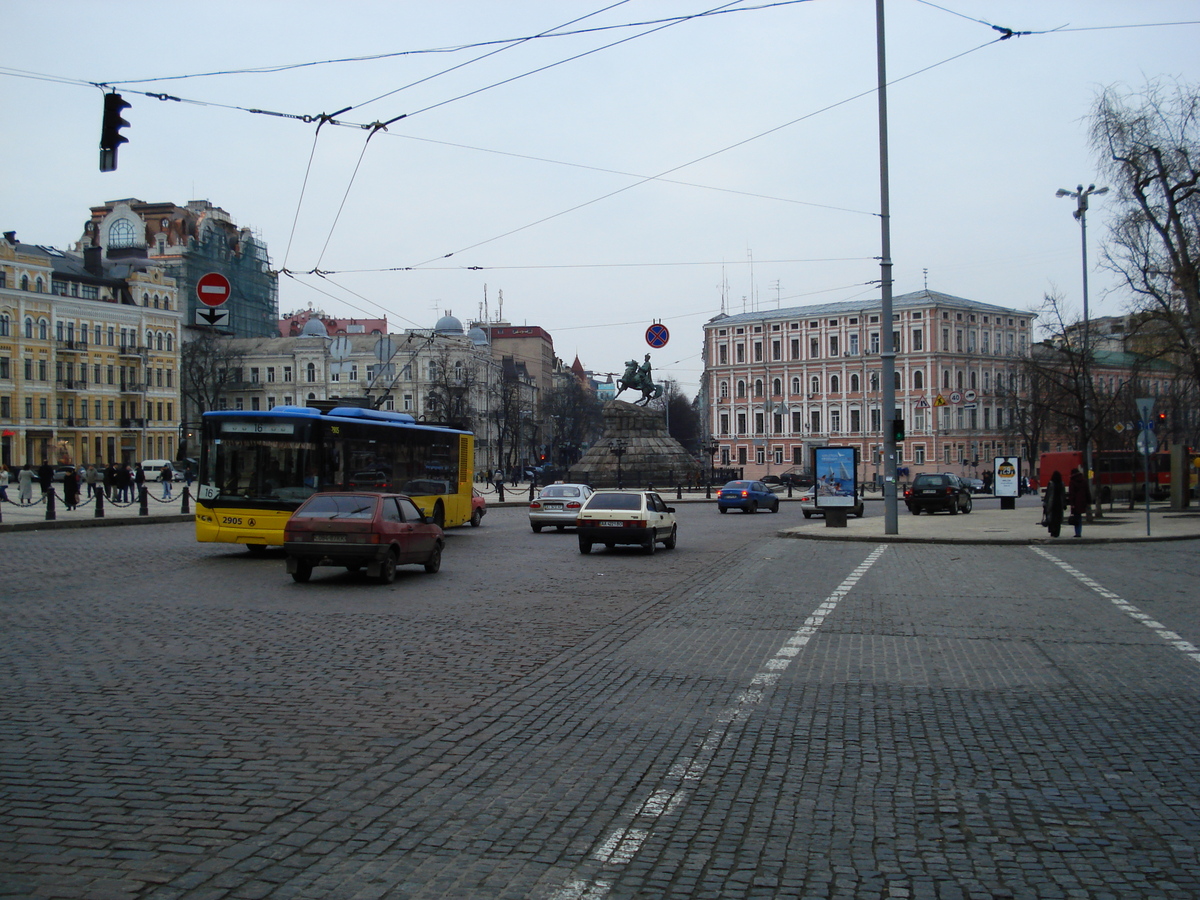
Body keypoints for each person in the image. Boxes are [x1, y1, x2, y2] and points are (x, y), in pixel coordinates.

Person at [1067, 466, 1091, 538]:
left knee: (1076, 517)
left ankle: (1077, 532)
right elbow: (1087, 491)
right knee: (1079, 517)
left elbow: (1072, 494)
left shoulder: (1072, 482)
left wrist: (1072, 503)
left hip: (1075, 502)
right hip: (1082, 501)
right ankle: (1079, 531)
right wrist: (1089, 501)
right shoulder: (1084, 481)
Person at [1042, 470, 1065, 538]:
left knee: (1051, 517)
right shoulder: (1062, 484)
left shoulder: (1051, 483)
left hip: (1052, 503)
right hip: (1059, 503)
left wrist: (1045, 502)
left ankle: (1052, 531)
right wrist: (1064, 503)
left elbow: (1048, 494)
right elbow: (1063, 494)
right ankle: (1057, 532)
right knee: (1058, 518)